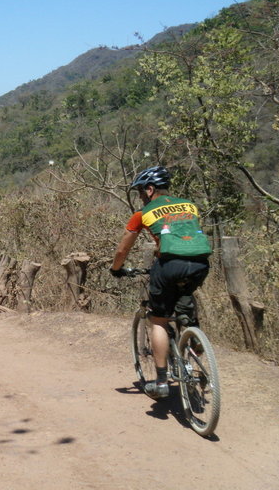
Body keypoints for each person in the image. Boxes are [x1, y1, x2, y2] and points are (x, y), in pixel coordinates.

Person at [109, 166, 212, 399]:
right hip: (200, 264)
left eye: (140, 192)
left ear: (150, 188)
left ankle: (162, 381)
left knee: (159, 320)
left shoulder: (142, 214)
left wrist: (116, 269)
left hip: (169, 268)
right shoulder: (189, 205)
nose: (140, 197)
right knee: (184, 299)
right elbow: (180, 234)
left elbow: (123, 247)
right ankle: (194, 337)